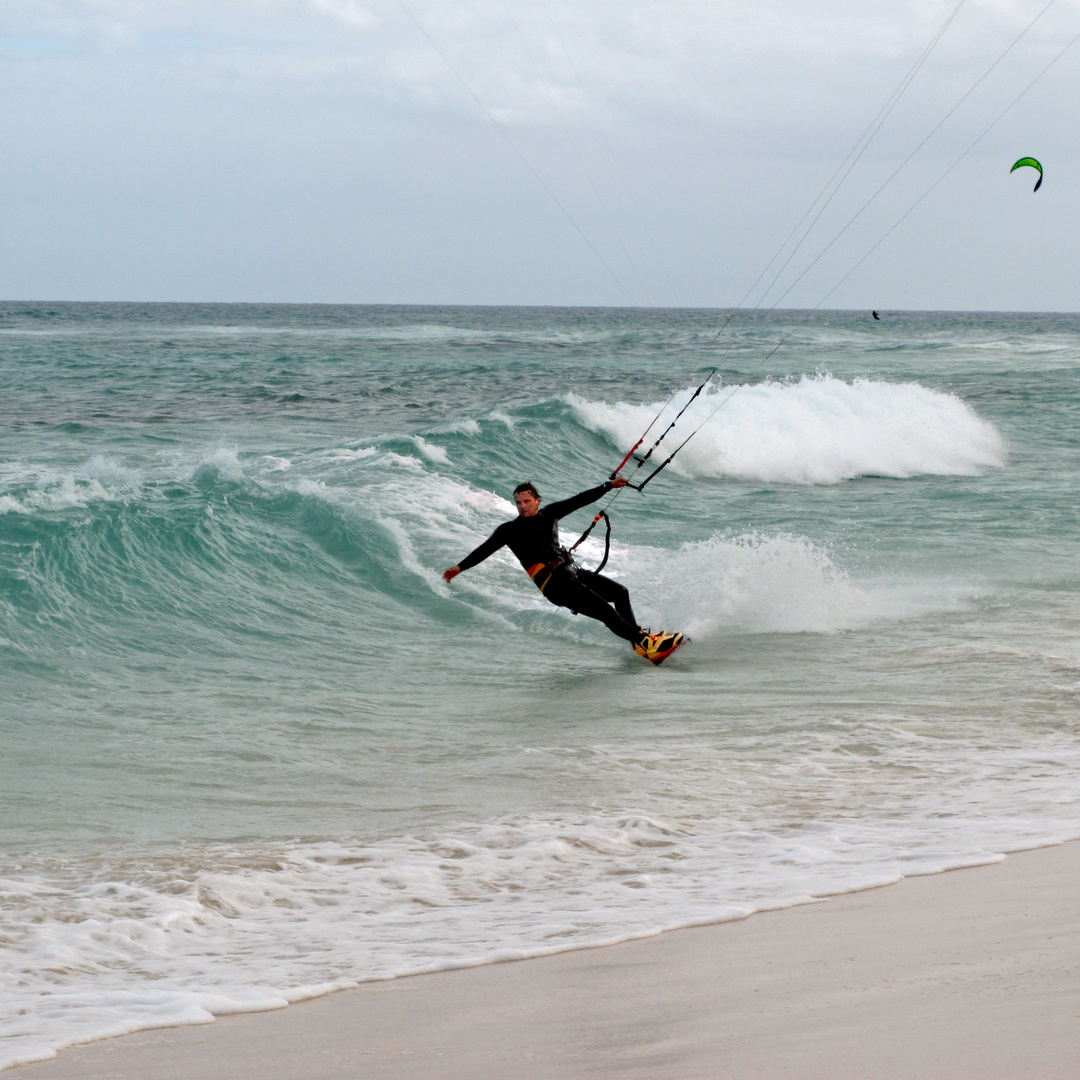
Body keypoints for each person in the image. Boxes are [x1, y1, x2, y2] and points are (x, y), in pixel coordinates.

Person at [443, 478, 685, 664]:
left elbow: (579, 500)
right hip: (555, 585)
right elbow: (485, 550)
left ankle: (641, 643)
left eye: (526, 501)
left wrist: (608, 486)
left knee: (620, 593)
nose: (522, 506)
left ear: (537, 499)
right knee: (605, 610)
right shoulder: (510, 530)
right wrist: (459, 567)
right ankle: (646, 643)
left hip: (572, 573)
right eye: (518, 502)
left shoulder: (549, 515)